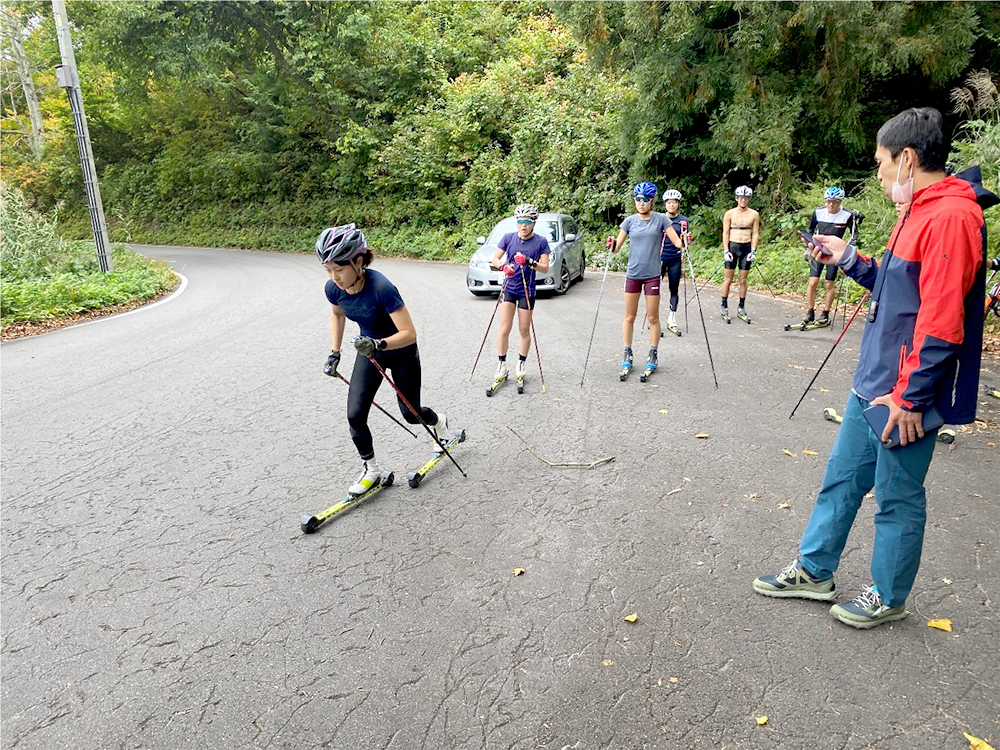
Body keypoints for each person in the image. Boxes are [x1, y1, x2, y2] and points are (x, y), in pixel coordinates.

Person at [753, 107, 997, 629]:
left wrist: (911, 397)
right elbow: (896, 289)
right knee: (841, 480)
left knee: (896, 497)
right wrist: (847, 258)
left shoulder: (952, 217)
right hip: (873, 382)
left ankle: (888, 595)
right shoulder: (918, 210)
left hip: (903, 394)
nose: (879, 174)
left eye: (882, 163)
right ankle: (815, 571)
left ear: (907, 159)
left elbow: (942, 322)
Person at [319, 224, 452, 495]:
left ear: (358, 262)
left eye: (339, 269)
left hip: (400, 352)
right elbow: (337, 315)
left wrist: (378, 343)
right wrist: (335, 352)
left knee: (411, 414)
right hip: (369, 352)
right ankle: (371, 470)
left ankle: (440, 423)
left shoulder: (382, 288)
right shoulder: (334, 289)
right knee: (355, 415)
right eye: (328, 270)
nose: (334, 277)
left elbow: (409, 333)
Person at [607, 181, 683, 374]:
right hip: (633, 274)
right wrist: (611, 245)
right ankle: (627, 353)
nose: (641, 203)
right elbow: (617, 248)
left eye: (645, 200)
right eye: (638, 199)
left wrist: (685, 241)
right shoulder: (629, 221)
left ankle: (653, 353)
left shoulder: (661, 220)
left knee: (652, 317)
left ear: (652, 201)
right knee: (629, 316)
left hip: (652, 275)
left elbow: (677, 242)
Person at [490, 203, 551, 389]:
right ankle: (501, 365)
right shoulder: (508, 238)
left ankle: (521, 364)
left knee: (524, 330)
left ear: (533, 223)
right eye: (520, 221)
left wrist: (530, 262)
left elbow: (545, 267)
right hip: (509, 287)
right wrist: (503, 267)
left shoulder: (540, 241)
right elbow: (494, 259)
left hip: (527, 290)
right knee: (504, 328)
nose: (523, 226)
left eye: (527, 222)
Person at [799, 187, 859, 328]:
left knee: (828, 283)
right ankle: (810, 311)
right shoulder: (818, 212)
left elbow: (854, 235)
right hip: (819, 250)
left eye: (835, 202)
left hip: (835, 253)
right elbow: (810, 230)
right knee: (813, 281)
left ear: (840, 202)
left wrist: (847, 251)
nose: (831, 205)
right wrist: (808, 247)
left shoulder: (847, 215)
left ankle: (825, 313)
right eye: (829, 202)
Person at [721, 186, 760, 323]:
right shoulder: (730, 214)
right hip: (733, 246)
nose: (743, 200)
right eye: (741, 198)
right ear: (736, 198)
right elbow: (725, 232)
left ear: (749, 199)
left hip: (746, 248)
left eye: (746, 198)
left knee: (743, 280)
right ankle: (724, 305)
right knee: (728, 279)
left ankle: (741, 307)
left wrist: (753, 250)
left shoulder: (754, 214)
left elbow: (755, 233)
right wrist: (726, 250)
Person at [661, 189, 692, 336]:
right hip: (660, 257)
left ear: (678, 204)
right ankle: (652, 319)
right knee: (653, 290)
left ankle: (672, 319)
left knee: (674, 289)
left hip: (675, 258)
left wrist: (687, 239)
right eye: (668, 202)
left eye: (674, 202)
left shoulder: (683, 220)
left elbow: (685, 241)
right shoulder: (660, 219)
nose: (671, 205)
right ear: (665, 204)